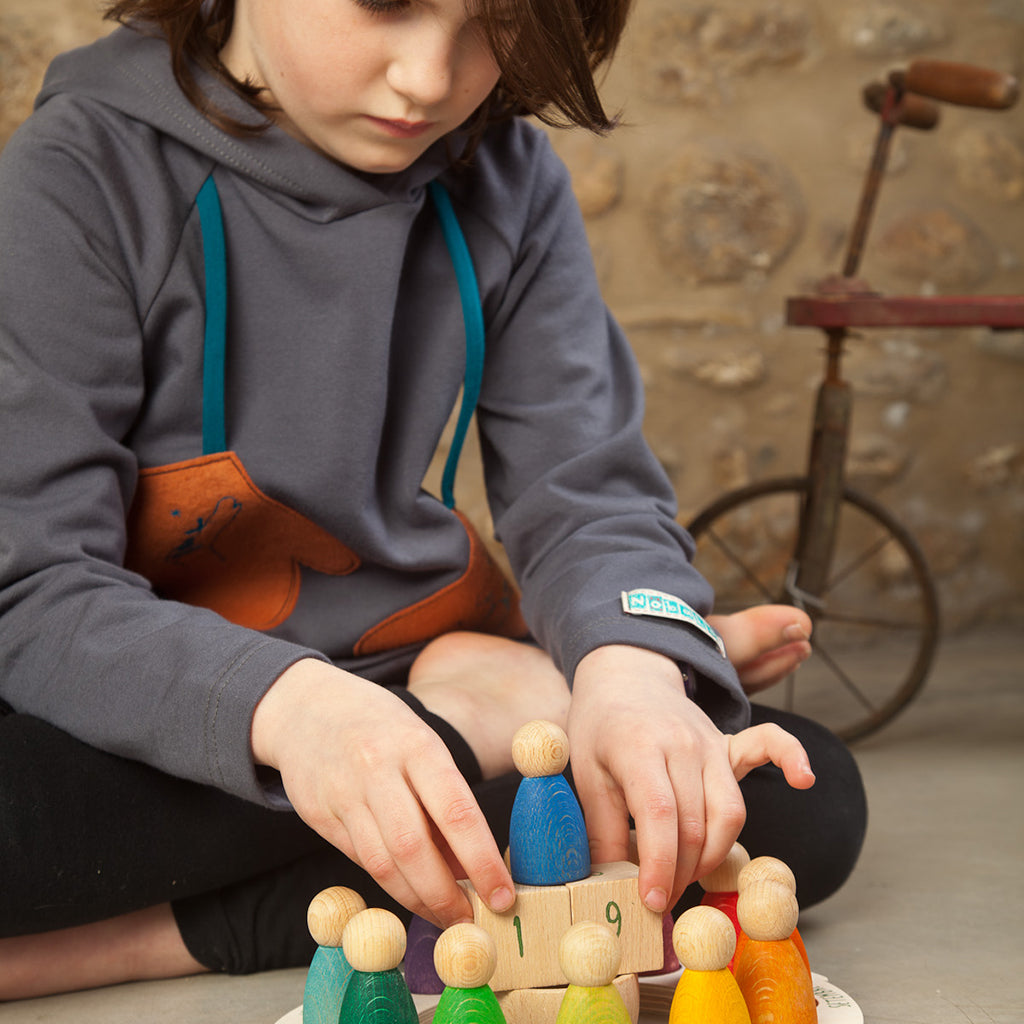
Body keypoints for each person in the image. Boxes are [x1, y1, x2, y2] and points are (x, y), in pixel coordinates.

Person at [0, 0, 866, 1001]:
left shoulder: (508, 174)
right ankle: (496, 706)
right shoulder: (79, 172)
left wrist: (631, 670)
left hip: (392, 660)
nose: (427, 78)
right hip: (137, 701)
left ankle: (154, 936)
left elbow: (585, 489)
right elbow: (32, 584)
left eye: (492, 23)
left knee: (789, 795)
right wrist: (303, 715)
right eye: (388, 3)